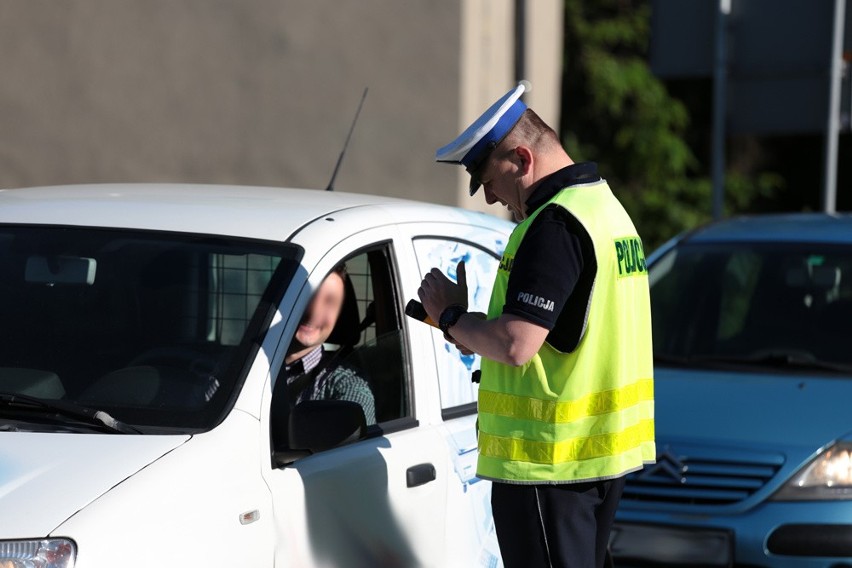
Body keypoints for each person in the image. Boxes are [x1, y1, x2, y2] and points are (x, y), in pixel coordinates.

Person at [418, 83, 655, 568]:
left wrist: (449, 315)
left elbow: (517, 343)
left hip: (548, 464)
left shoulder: (555, 224)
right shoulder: (607, 210)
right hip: (598, 459)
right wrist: (462, 325)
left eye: (488, 178)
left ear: (522, 159)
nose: (490, 196)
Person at [280, 263, 376, 426]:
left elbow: (352, 449)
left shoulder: (345, 386)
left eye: (329, 302)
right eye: (308, 297)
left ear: (340, 316)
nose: (315, 310)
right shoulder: (238, 366)